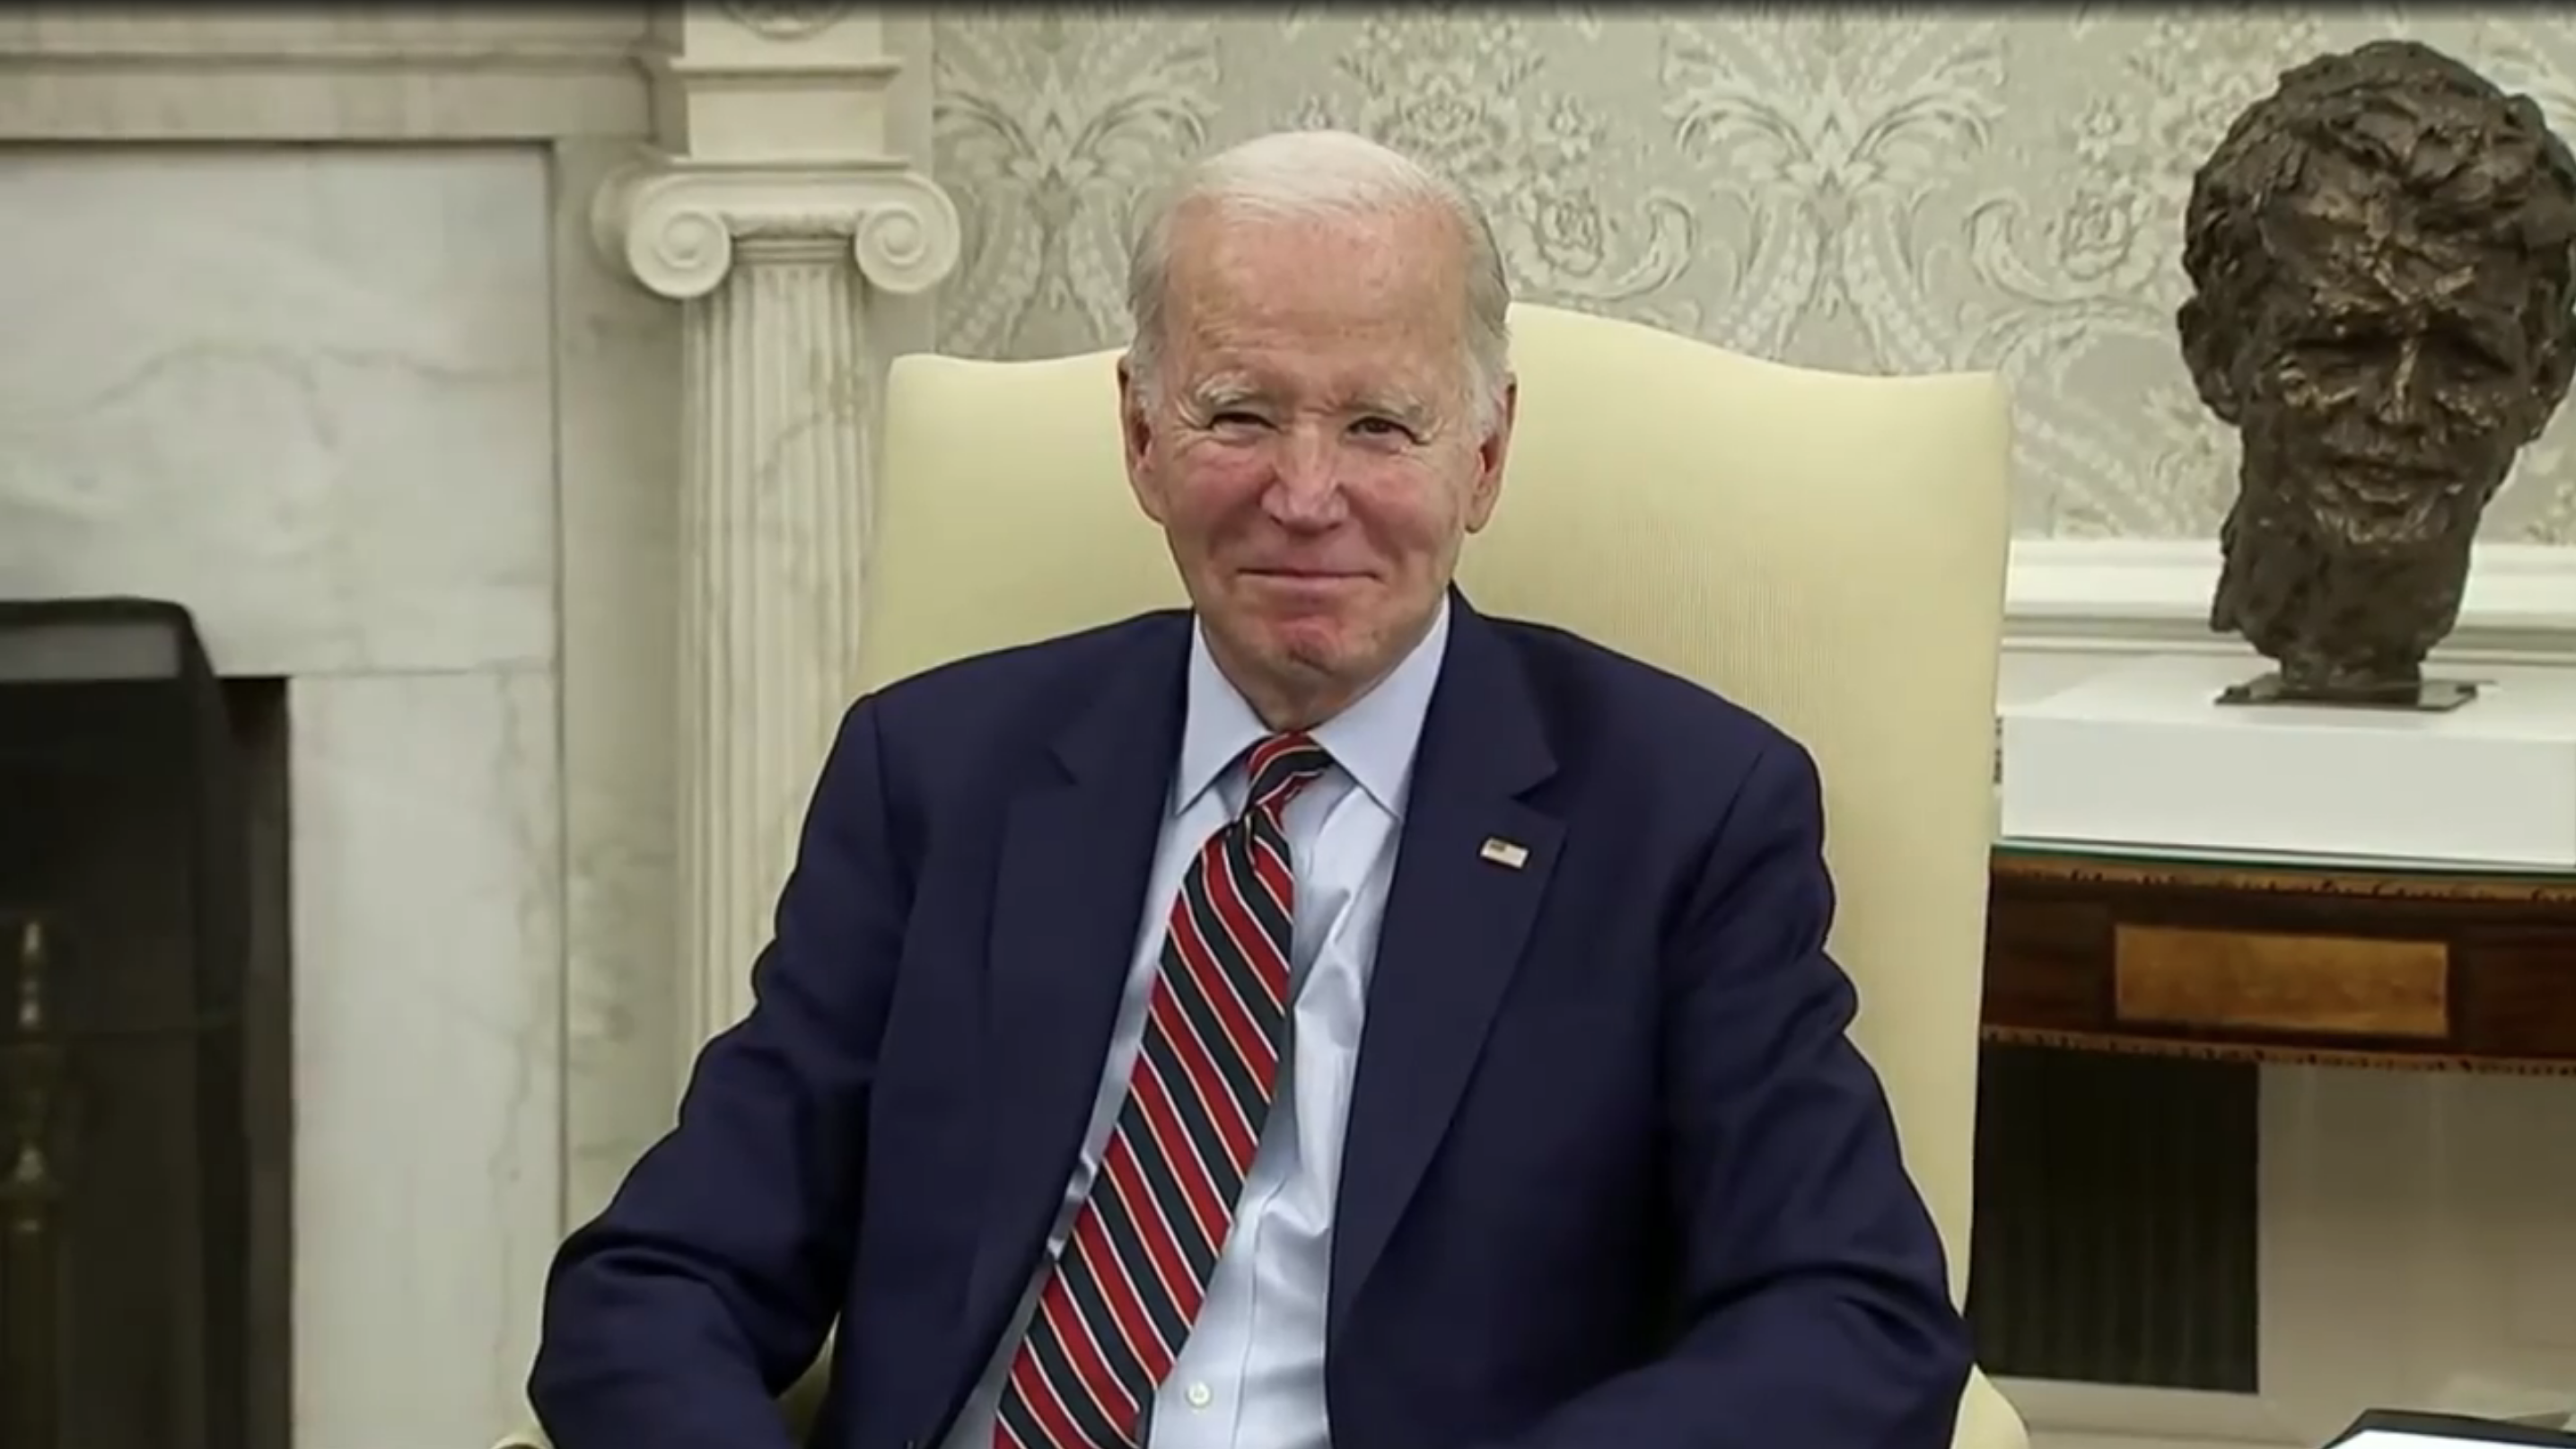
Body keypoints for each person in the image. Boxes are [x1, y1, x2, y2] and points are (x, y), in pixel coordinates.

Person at [530, 128, 1969, 1449]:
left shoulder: (1683, 814)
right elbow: (658, 1279)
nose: (1302, 491)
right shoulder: (936, 772)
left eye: (1379, 428)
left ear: (1485, 452)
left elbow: (1853, 1317)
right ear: (1140, 436)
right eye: (1238, 415)